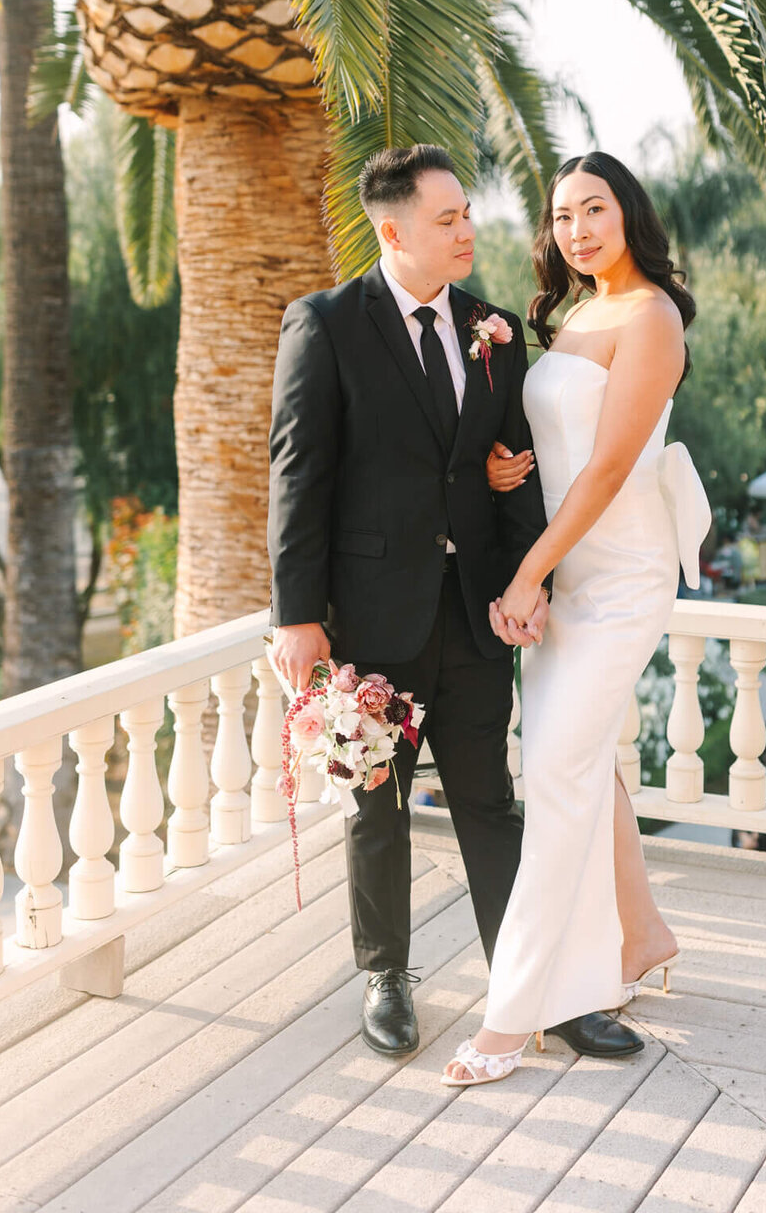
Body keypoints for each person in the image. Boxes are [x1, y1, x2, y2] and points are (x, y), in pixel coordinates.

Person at [266, 146, 643, 1062]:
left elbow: (515, 478)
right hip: (367, 618)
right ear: (392, 232)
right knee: (377, 808)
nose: (469, 230)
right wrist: (296, 613)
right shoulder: (324, 324)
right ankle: (386, 977)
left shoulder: (497, 329)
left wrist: (530, 584)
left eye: (468, 213)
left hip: (474, 612)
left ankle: (535, 988)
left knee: (490, 803)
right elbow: (297, 474)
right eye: (447, 220)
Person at [442, 150, 709, 1087]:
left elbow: (605, 470)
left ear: (628, 212)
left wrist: (525, 577)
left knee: (553, 771)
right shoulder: (568, 316)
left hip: (622, 575)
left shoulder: (653, 317)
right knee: (576, 761)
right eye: (562, 217)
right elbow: (555, 448)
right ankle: (640, 937)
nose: (579, 230)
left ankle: (514, 1016)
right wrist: (506, 475)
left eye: (594, 209)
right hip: (561, 566)